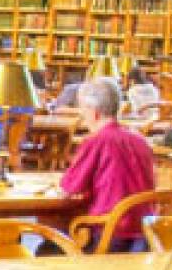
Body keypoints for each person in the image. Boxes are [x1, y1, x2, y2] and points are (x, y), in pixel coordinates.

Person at [59, 78, 157, 252]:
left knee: (50, 248)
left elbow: (70, 188)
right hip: (146, 231)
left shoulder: (97, 141)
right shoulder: (140, 140)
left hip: (110, 229)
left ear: (93, 112)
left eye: (82, 109)